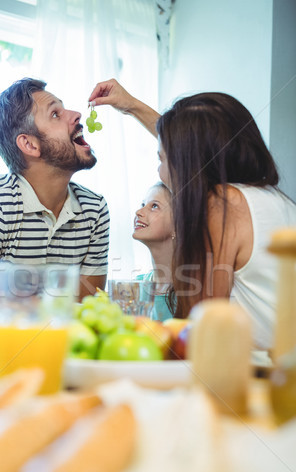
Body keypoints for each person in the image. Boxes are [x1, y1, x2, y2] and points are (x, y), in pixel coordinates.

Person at [88, 79, 296, 350]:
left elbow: (199, 328)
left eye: (161, 159)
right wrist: (133, 106)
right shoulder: (274, 199)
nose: (161, 172)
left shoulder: (223, 205)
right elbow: (197, 148)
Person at [0, 78, 109, 302]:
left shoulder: (95, 209)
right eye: (55, 114)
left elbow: (87, 312)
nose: (76, 114)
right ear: (30, 144)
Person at [133, 181, 175, 322]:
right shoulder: (134, 287)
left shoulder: (193, 290)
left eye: (154, 206)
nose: (139, 212)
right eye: (142, 205)